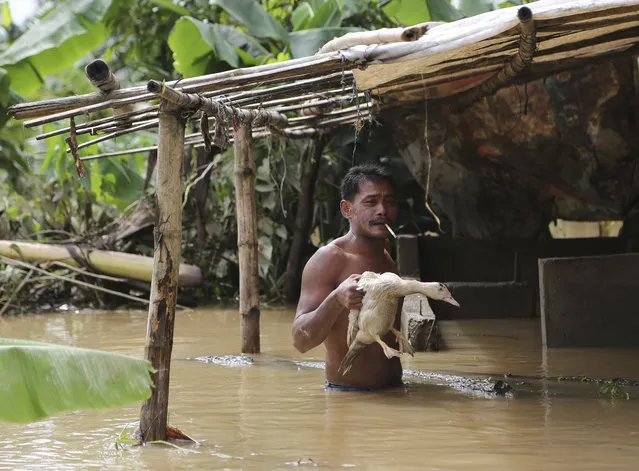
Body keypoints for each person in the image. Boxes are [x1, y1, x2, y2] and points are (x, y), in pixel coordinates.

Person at [292, 163, 404, 391]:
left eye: (389, 202)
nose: (382, 210)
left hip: (395, 393)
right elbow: (300, 341)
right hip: (348, 398)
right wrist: (336, 298)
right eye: (371, 202)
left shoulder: (386, 254)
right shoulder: (329, 258)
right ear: (347, 209)